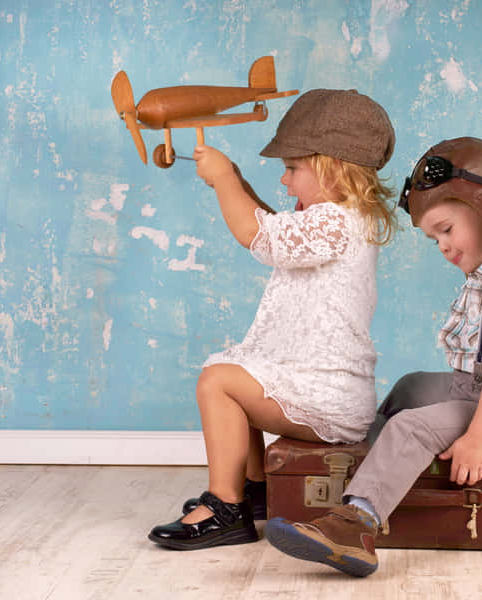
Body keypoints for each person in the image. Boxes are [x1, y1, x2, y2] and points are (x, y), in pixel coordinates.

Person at [265, 137, 482, 576]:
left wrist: (476, 440)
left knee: (411, 425)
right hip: (476, 390)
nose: (443, 246)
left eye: (446, 229)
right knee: (410, 388)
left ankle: (357, 524)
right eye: (435, 239)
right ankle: (375, 463)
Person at [147, 88, 397, 550]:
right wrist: (236, 183)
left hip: (328, 395)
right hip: (328, 386)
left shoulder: (335, 223)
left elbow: (256, 233)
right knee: (236, 370)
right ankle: (256, 490)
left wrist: (225, 179)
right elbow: (275, 226)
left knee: (218, 383)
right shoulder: (343, 218)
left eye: (292, 168)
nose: (284, 180)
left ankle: (226, 508)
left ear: (332, 167)